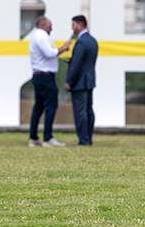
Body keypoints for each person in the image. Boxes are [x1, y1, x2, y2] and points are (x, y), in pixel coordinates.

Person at [28, 16, 71, 147]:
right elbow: (49, 53)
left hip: (39, 76)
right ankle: (48, 138)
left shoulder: (36, 36)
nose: (51, 29)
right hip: (45, 77)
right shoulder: (42, 36)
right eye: (49, 26)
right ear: (42, 26)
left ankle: (33, 137)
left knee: (39, 107)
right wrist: (64, 48)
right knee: (51, 106)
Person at [64, 15, 99, 146]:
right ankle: (88, 138)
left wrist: (69, 81)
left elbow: (76, 64)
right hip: (89, 81)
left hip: (79, 82)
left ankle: (83, 140)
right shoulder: (92, 41)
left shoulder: (81, 42)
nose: (72, 28)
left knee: (80, 112)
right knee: (89, 110)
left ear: (79, 25)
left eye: (73, 25)